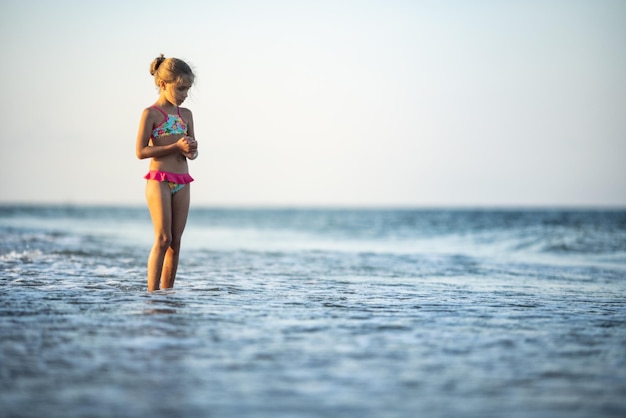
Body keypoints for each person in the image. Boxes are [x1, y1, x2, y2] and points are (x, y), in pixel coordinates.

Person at [136, 54, 198, 291]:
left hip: (183, 180)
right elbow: (140, 151)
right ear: (163, 84)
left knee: (176, 242)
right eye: (181, 88)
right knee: (163, 240)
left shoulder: (187, 115)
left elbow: (191, 149)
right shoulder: (150, 113)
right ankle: (152, 295)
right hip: (159, 179)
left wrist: (192, 151)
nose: (185, 94)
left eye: (188, 89)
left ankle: (167, 296)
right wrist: (175, 147)